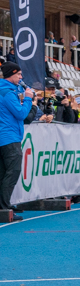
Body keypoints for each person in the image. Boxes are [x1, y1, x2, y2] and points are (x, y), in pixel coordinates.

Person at [0, 63, 35, 221]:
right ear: (11, 74)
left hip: (5, 136)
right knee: (12, 172)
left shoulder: (6, 89)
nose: (21, 77)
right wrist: (28, 99)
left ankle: (3, 205)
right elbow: (21, 114)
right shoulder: (7, 92)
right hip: (9, 137)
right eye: (19, 74)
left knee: (3, 173)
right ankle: (4, 206)